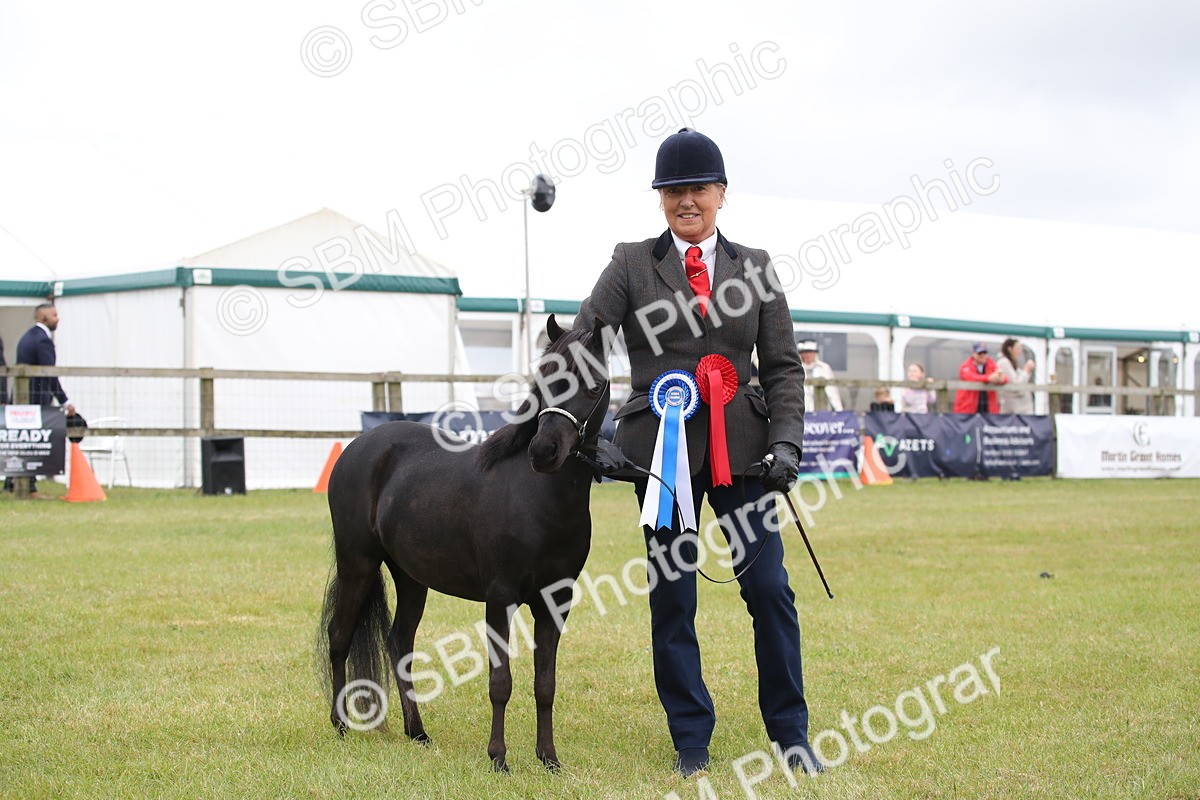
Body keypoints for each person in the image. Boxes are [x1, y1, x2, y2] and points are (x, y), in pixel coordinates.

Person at [575, 128, 820, 777]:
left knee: (769, 589)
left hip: (745, 452)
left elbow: (785, 366)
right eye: (674, 190)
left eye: (698, 189)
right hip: (661, 451)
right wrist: (581, 424)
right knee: (673, 597)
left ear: (721, 194)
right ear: (661, 198)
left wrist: (787, 441)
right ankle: (690, 739)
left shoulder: (756, 266)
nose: (687, 200)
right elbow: (584, 338)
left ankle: (791, 733)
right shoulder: (630, 263)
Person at [16, 304, 76, 416]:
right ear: (45, 318)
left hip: (22, 398)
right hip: (37, 402)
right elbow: (50, 374)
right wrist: (65, 401)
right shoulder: (43, 340)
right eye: (54, 315)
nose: (57, 319)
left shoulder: (27, 336)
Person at [952, 342, 1004, 414]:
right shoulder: (966, 366)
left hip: (988, 409)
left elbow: (1003, 377)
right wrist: (988, 378)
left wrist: (999, 379)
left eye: (984, 353)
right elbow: (971, 377)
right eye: (979, 353)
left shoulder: (991, 363)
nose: (982, 355)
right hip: (967, 410)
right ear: (973, 354)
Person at [797, 340, 843, 412]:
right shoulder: (796, 368)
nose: (807, 355)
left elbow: (833, 392)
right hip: (801, 412)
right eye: (805, 352)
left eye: (810, 352)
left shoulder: (824, 368)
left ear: (815, 353)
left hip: (820, 412)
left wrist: (839, 411)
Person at [995, 337, 1035, 414]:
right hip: (1012, 410)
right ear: (1009, 349)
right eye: (1017, 348)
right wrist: (1026, 369)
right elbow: (1016, 384)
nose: (1019, 351)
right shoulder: (1004, 363)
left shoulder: (1014, 364)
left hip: (1021, 410)